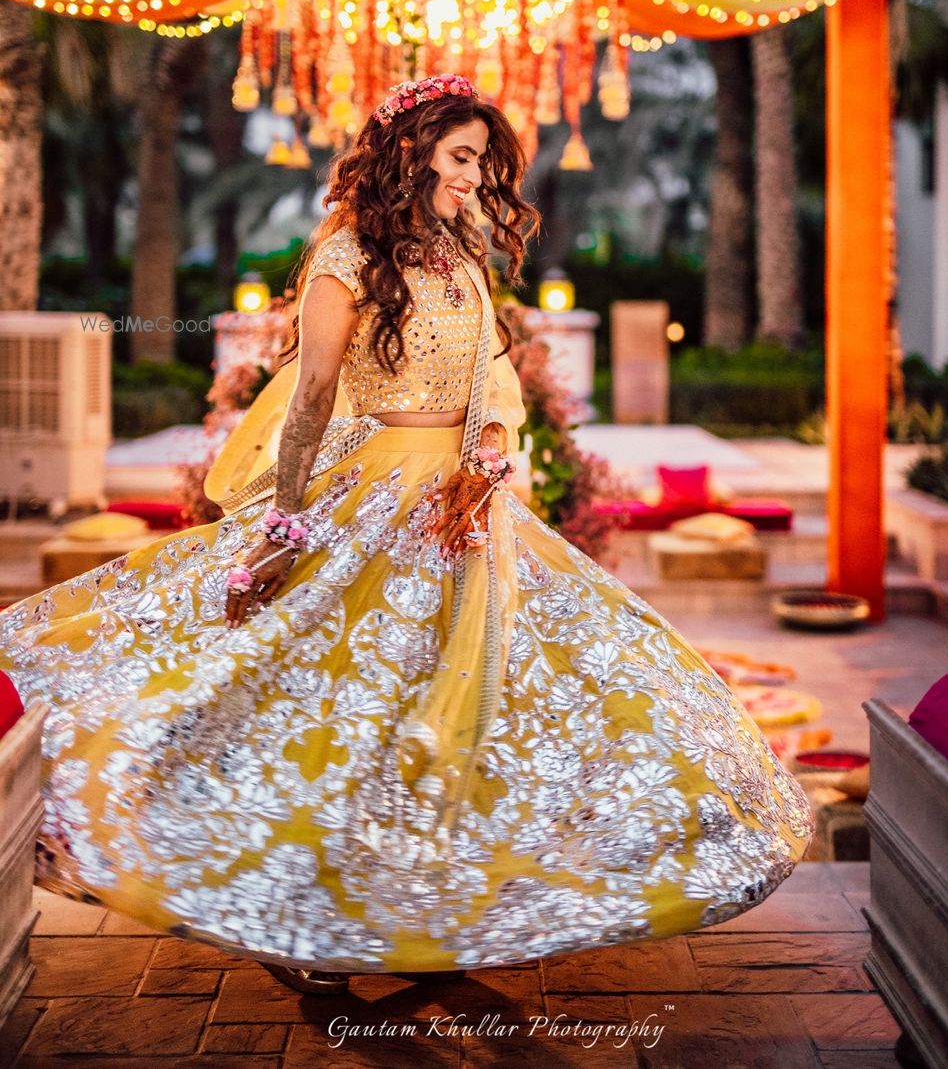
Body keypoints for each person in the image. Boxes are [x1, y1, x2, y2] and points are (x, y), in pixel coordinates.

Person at [0, 72, 813, 995]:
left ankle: (435, 901)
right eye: (461, 156)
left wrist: (491, 459)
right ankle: (303, 919)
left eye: (481, 161)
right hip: (371, 499)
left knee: (472, 713)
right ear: (412, 151)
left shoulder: (464, 253)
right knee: (344, 708)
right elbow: (309, 398)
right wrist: (287, 520)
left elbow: (495, 378)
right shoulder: (346, 253)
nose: (474, 177)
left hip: (466, 508)